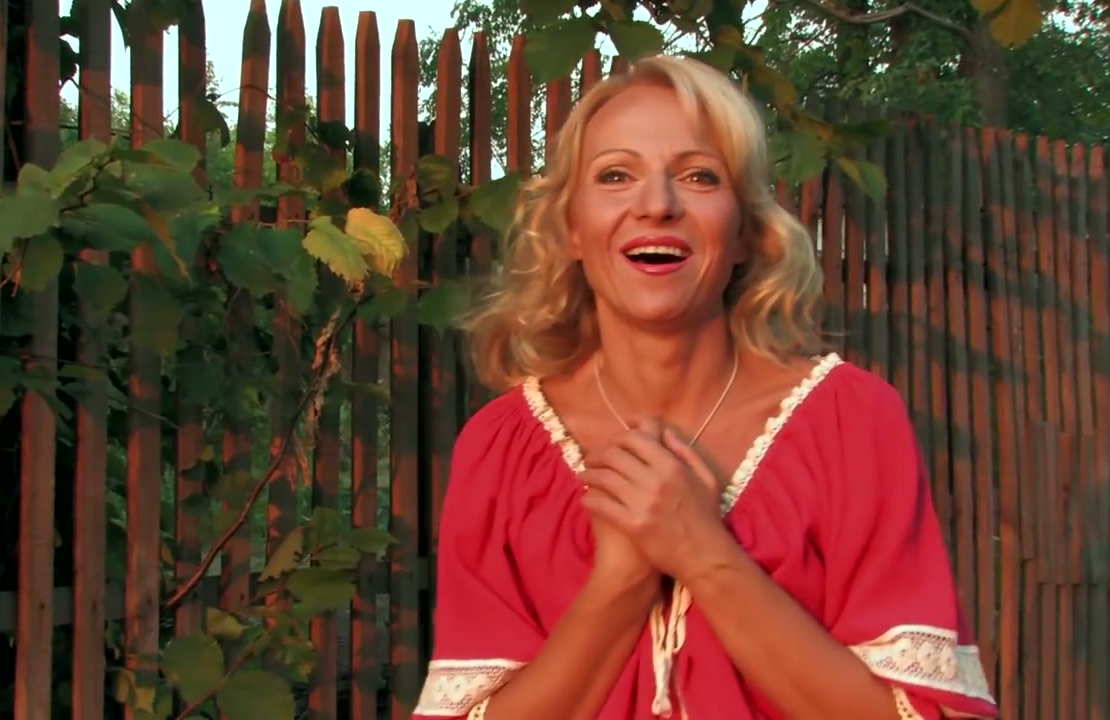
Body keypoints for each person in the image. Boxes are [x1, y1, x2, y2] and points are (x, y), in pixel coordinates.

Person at [410, 54, 998, 720]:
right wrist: (621, 582)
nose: (657, 205)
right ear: (570, 228)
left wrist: (703, 553)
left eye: (699, 176)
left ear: (746, 230)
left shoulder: (852, 422)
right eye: (615, 175)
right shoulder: (499, 448)